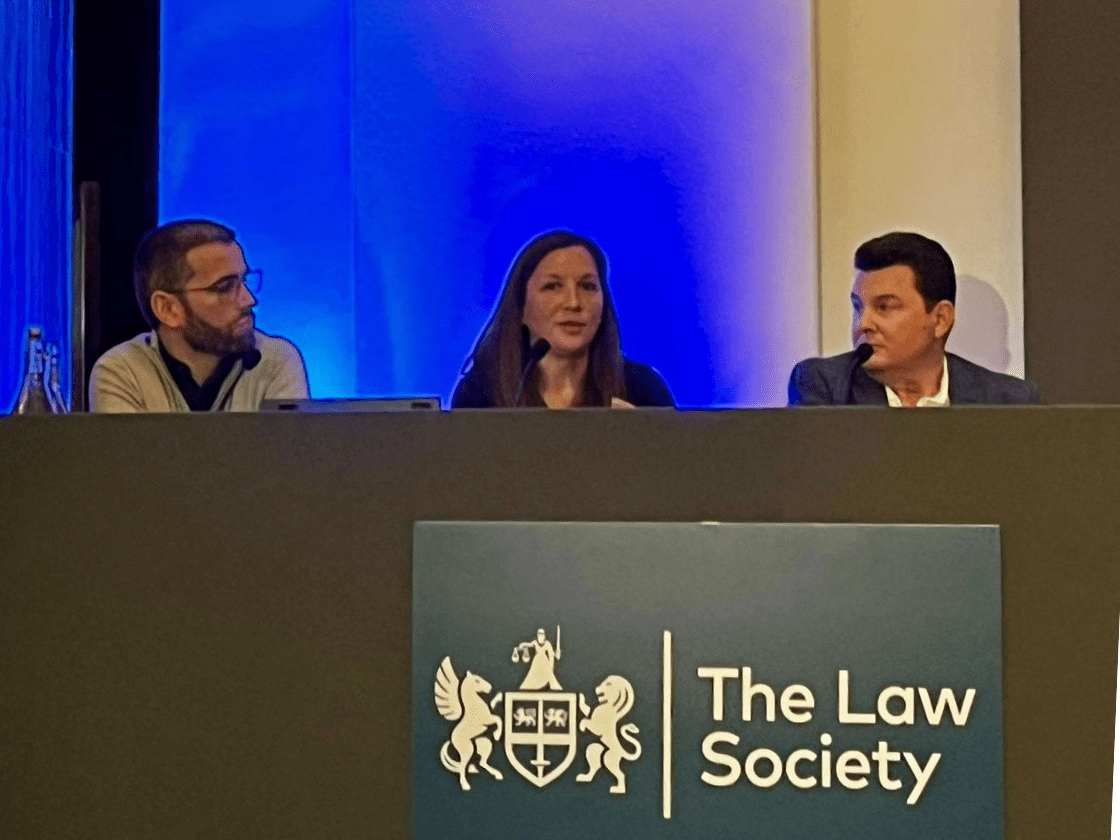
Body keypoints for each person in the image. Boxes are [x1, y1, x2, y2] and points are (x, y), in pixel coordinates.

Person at [787, 231, 1038, 406]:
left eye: (885, 307)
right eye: (857, 307)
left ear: (940, 319)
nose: (863, 324)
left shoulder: (1007, 401)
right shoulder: (825, 387)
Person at [89, 219, 309, 412]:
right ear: (168, 309)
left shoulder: (275, 360)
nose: (249, 300)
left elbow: (286, 448)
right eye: (224, 287)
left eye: (244, 281)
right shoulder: (122, 371)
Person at [451, 231, 674, 408]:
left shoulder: (642, 390)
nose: (574, 303)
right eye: (552, 286)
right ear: (521, 308)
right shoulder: (480, 394)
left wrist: (644, 438)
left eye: (587, 286)